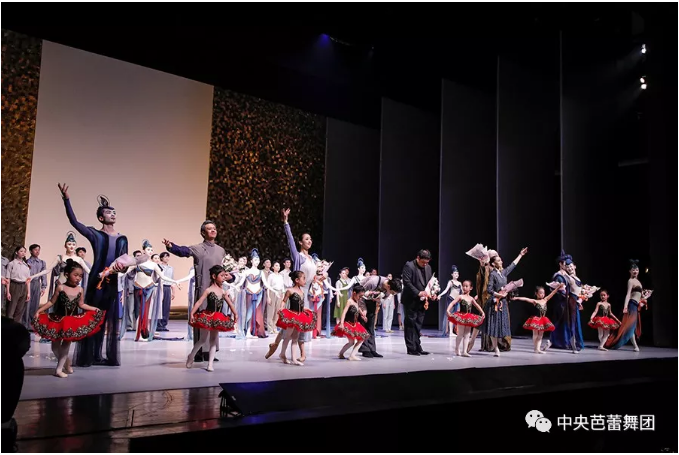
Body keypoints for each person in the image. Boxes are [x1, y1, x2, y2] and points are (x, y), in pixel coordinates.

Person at [59, 183, 128, 367]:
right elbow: (74, 222)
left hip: (111, 282)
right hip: (97, 282)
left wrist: (122, 268)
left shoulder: (122, 238)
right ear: (100, 217)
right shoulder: (95, 234)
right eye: (108, 212)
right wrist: (66, 200)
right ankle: (87, 355)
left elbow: (125, 262)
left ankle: (98, 354)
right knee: (92, 317)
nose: (113, 214)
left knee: (105, 319)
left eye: (114, 212)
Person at [163, 220, 226, 363]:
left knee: (214, 320)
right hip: (203, 289)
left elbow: (223, 270)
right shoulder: (198, 248)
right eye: (209, 229)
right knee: (202, 320)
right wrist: (171, 246)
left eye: (214, 228)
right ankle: (198, 352)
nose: (213, 230)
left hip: (217, 291)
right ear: (203, 233)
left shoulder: (221, 250)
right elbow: (183, 251)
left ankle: (210, 352)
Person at [32, 260, 105, 377]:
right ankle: (66, 362)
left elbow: (81, 304)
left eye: (80, 276)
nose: (78, 278)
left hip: (72, 321)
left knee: (66, 345)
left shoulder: (80, 289)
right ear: (67, 274)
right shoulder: (60, 287)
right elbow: (51, 301)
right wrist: (39, 310)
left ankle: (59, 369)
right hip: (57, 320)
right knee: (55, 347)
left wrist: (94, 308)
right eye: (75, 275)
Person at [479, 247, 528, 357]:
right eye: (499, 260)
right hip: (495, 302)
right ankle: (495, 348)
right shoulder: (493, 274)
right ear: (494, 263)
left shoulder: (503, 272)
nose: (501, 261)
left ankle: (499, 345)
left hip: (503, 303)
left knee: (501, 325)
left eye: (501, 260)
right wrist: (499, 294)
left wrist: (520, 255)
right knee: (494, 326)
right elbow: (489, 289)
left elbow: (512, 265)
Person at [187, 265, 237, 371]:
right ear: (214, 276)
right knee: (202, 340)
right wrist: (192, 313)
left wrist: (235, 314)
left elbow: (230, 304)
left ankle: (210, 364)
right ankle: (191, 356)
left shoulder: (223, 291)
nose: (224, 278)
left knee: (213, 340)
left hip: (218, 318)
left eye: (224, 276)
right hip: (208, 317)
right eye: (221, 276)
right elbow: (199, 302)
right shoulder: (209, 290)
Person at [605, 260, 650, 351]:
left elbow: (640, 295)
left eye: (636, 270)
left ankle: (635, 346)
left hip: (636, 305)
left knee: (631, 326)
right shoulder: (630, 281)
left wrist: (646, 296)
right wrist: (625, 306)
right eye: (633, 270)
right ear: (630, 271)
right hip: (631, 305)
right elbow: (628, 294)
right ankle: (635, 346)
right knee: (630, 326)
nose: (635, 271)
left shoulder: (638, 282)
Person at [275, 270, 316, 365]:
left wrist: (306, 309)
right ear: (297, 280)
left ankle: (294, 358)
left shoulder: (302, 292)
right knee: (287, 337)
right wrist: (281, 308)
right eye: (303, 278)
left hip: (300, 316)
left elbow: (300, 305)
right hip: (292, 316)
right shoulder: (290, 290)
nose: (305, 280)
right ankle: (282, 354)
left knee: (295, 338)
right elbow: (284, 301)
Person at [357, 273, 401, 357]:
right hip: (361, 300)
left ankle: (372, 349)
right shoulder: (373, 282)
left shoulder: (388, 289)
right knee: (364, 325)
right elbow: (360, 294)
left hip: (371, 301)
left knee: (371, 326)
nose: (392, 294)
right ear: (388, 287)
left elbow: (383, 297)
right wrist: (363, 310)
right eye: (392, 292)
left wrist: (378, 301)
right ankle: (365, 349)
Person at [512, 284, 563, 354]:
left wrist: (558, 287)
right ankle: (536, 348)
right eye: (540, 293)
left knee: (541, 335)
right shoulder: (535, 301)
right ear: (536, 293)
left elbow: (553, 293)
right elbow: (525, 299)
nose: (542, 294)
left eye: (543, 293)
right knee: (535, 334)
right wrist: (516, 298)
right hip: (536, 319)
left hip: (543, 319)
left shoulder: (545, 300)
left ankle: (538, 349)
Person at [401, 249, 434, 356]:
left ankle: (417, 346)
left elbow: (429, 283)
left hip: (422, 301)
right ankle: (411, 348)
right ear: (418, 258)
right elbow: (407, 282)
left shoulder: (428, 267)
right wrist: (418, 292)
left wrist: (432, 293)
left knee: (418, 324)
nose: (425, 264)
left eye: (427, 262)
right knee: (410, 324)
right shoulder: (409, 266)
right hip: (410, 300)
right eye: (423, 262)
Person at [446, 280, 485, 356]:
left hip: (469, 318)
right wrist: (448, 310)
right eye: (463, 286)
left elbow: (477, 305)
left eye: (466, 286)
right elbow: (452, 303)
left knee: (467, 335)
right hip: (461, 317)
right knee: (460, 334)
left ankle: (464, 351)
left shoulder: (471, 298)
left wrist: (482, 312)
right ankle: (457, 348)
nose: (464, 287)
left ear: (471, 288)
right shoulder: (460, 296)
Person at [333, 285, 370, 360]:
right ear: (354, 293)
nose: (360, 298)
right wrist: (342, 323)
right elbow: (344, 312)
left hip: (355, 324)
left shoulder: (357, 301)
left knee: (360, 339)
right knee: (351, 342)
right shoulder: (349, 301)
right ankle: (347, 355)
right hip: (348, 324)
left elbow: (358, 309)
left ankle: (347, 354)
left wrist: (363, 315)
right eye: (360, 296)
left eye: (362, 296)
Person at [5, 246, 31, 322]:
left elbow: (28, 280)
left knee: (19, 309)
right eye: (21, 251)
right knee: (11, 308)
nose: (23, 253)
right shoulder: (11, 264)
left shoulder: (26, 265)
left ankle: (15, 326)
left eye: (24, 251)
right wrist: (8, 292)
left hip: (24, 286)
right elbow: (8, 278)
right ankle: (8, 326)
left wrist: (28, 293)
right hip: (14, 286)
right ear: (16, 252)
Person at [24, 244, 47, 330]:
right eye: (35, 250)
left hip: (37, 284)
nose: (37, 252)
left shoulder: (42, 262)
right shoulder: (27, 262)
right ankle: (25, 324)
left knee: (35, 304)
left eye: (38, 250)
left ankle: (32, 325)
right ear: (31, 251)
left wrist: (43, 287)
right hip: (28, 283)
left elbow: (43, 275)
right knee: (27, 304)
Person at [438, 265, 462, 337]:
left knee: (455, 316)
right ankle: (450, 332)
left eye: (457, 273)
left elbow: (462, 292)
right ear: (452, 274)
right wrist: (440, 295)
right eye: (455, 273)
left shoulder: (460, 283)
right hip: (451, 300)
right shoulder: (451, 282)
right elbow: (446, 290)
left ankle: (455, 331)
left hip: (457, 301)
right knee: (449, 315)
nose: (456, 275)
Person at [157, 252, 175, 332]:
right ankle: (158, 324)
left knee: (166, 307)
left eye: (168, 257)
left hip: (167, 287)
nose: (167, 258)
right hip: (160, 287)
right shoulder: (158, 266)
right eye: (165, 257)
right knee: (159, 306)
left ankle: (164, 324)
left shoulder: (171, 268)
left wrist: (173, 292)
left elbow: (172, 280)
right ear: (161, 258)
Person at [266, 261, 286, 334]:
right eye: (276, 265)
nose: (278, 267)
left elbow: (282, 286)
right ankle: (270, 328)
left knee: (277, 311)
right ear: (273, 267)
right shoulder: (271, 276)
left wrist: (283, 296)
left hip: (279, 293)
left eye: (279, 266)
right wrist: (268, 296)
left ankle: (274, 327)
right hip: (273, 292)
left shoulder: (280, 276)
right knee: (271, 310)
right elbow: (268, 286)